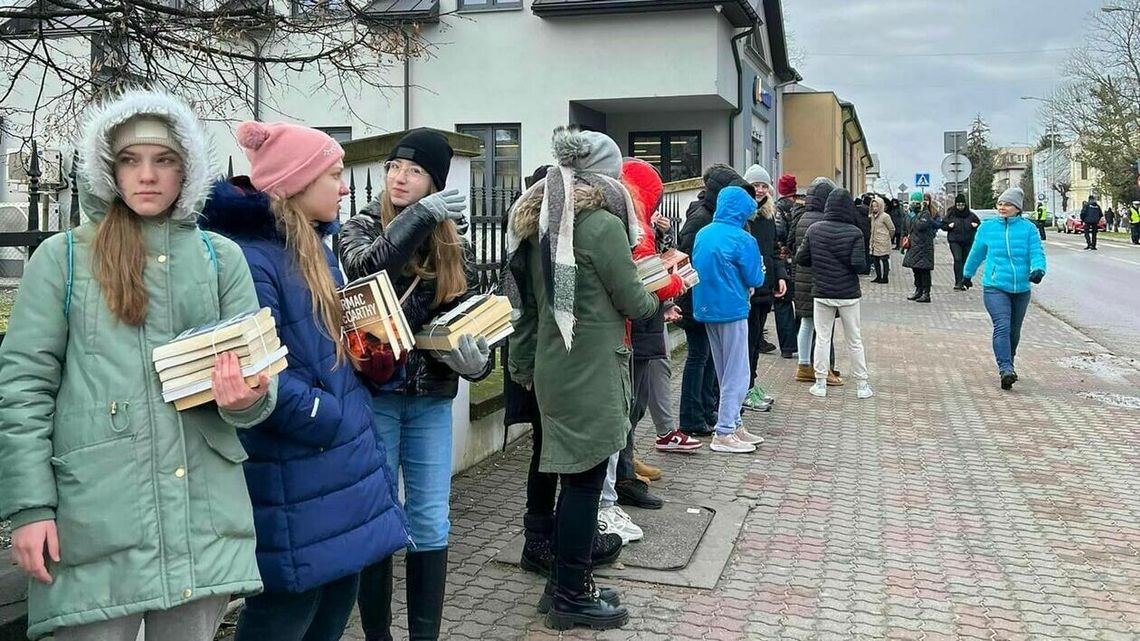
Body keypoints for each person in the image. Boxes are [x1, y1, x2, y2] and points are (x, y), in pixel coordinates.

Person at [0, 90, 274, 641]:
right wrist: (29, 509)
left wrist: (247, 400)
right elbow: (24, 390)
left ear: (187, 170)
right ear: (109, 169)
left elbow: (259, 383)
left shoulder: (222, 259)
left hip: (201, 521)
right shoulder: (64, 259)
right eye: (130, 160)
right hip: (94, 522)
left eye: (164, 160)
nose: (147, 175)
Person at [199, 121, 406, 641]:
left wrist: (379, 359)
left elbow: (330, 351)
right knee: (286, 612)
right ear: (296, 181)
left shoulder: (317, 248)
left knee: (334, 604)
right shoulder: (251, 260)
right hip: (294, 471)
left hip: (337, 467)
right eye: (334, 174)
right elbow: (254, 368)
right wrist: (328, 414)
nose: (344, 187)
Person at [336, 129, 494, 641]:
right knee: (380, 518)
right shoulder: (360, 226)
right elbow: (365, 268)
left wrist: (477, 365)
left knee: (429, 520)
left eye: (415, 171)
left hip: (429, 399)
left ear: (435, 182)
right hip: (376, 396)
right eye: (393, 168)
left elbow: (464, 321)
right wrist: (421, 217)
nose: (400, 178)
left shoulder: (455, 245)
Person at [504, 127, 658, 631]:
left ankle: (559, 586)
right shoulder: (600, 224)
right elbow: (632, 299)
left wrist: (523, 367)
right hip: (590, 367)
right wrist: (660, 289)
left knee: (570, 478)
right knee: (586, 481)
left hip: (552, 365)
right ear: (607, 175)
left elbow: (524, 308)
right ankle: (572, 593)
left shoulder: (539, 222)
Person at [509, 165, 624, 578]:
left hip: (544, 361)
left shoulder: (533, 228)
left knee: (549, 454)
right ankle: (553, 551)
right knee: (565, 464)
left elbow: (534, 307)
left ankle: (548, 540)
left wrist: (523, 363)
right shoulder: (560, 231)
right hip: (562, 364)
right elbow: (542, 307)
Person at [595, 157, 691, 531]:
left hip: (638, 325)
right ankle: (619, 482)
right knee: (626, 407)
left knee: (629, 407)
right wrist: (671, 288)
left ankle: (625, 468)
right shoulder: (627, 226)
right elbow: (637, 280)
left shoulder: (633, 222)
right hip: (633, 328)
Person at [675, 165, 752, 436]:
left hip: (706, 298)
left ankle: (707, 410)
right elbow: (686, 257)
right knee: (699, 357)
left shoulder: (710, 219)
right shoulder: (701, 220)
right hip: (700, 298)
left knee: (709, 360)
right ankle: (692, 417)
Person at [691, 185, 767, 454]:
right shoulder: (743, 239)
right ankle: (725, 430)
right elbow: (755, 277)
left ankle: (734, 424)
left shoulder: (704, 233)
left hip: (706, 307)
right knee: (737, 370)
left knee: (722, 367)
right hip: (733, 307)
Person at [962, 187, 1046, 390]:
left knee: (1014, 331)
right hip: (995, 286)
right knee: (1002, 325)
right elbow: (977, 253)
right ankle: (1005, 368)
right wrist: (966, 274)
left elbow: (1036, 252)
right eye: (1000, 203)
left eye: (1007, 204)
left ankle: (1010, 360)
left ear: (1017, 208)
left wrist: (1038, 269)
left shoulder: (1028, 229)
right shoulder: (987, 228)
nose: (1002, 207)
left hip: (1021, 289)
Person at [795, 188, 873, 400]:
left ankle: (820, 383)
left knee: (822, 337)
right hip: (848, 293)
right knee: (854, 339)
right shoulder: (855, 232)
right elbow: (859, 266)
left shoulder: (814, 229)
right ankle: (862, 385)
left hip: (822, 291)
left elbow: (801, 258)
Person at [791, 178, 842, 386]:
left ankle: (804, 365)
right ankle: (824, 366)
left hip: (802, 278)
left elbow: (793, 246)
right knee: (824, 326)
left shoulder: (802, 217)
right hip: (821, 278)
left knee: (807, 322)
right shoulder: (824, 221)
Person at [742, 164, 784, 411]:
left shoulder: (769, 216)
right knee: (745, 342)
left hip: (765, 286)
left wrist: (780, 276)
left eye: (764, 185)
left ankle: (751, 384)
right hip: (748, 287)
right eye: (755, 185)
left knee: (757, 340)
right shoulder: (743, 217)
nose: (759, 189)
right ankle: (744, 388)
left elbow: (774, 250)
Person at [773, 174, 802, 359]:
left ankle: (787, 347)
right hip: (800, 261)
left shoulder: (778, 208)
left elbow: (778, 233)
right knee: (800, 303)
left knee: (782, 303)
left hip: (782, 261)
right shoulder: (801, 205)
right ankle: (801, 339)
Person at [903, 191, 937, 304]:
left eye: (917, 202)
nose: (915, 204)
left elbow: (921, 226)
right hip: (913, 246)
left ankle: (926, 293)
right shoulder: (910, 214)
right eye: (913, 202)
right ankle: (918, 290)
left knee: (924, 270)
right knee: (915, 269)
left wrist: (915, 216)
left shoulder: (925, 214)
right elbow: (906, 227)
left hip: (924, 246)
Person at [944, 193, 981, 290]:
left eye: (962, 205)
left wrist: (975, 226)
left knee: (965, 261)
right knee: (958, 259)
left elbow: (979, 224)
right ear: (955, 205)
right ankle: (957, 282)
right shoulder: (951, 214)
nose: (960, 207)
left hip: (967, 241)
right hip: (954, 241)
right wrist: (948, 226)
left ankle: (964, 280)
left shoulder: (971, 215)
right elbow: (943, 224)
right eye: (958, 205)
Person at [868, 195, 896, 284]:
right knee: (875, 260)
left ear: (880, 206)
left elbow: (892, 229)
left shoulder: (885, 216)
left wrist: (888, 237)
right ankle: (878, 276)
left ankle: (885, 277)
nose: (874, 208)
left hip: (883, 241)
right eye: (873, 206)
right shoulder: (872, 216)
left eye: (876, 206)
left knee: (884, 259)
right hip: (875, 241)